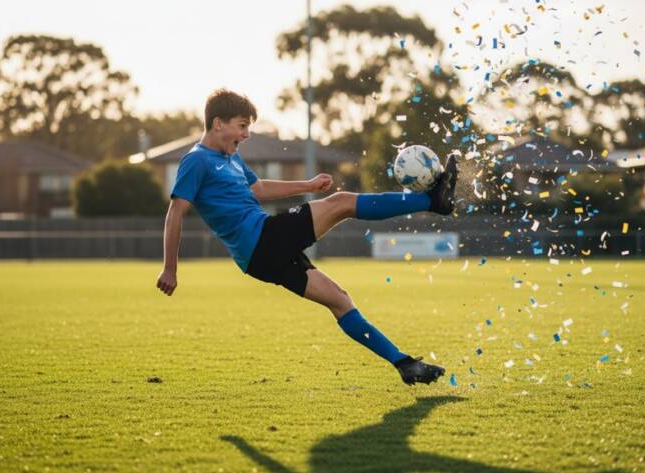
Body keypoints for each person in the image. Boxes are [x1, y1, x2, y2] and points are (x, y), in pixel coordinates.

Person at [156, 89, 457, 385]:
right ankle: (432, 201)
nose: (246, 134)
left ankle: (405, 365)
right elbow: (175, 212)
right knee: (342, 203)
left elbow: (259, 189)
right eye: (242, 126)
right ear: (218, 123)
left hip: (259, 257)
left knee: (339, 300)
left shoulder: (231, 158)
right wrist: (170, 268)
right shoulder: (196, 161)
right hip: (262, 239)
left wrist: (309, 185)